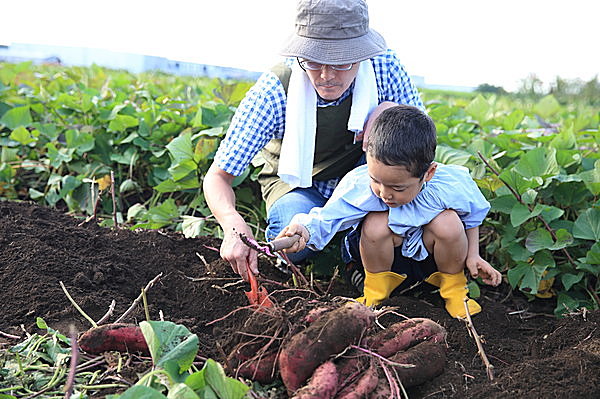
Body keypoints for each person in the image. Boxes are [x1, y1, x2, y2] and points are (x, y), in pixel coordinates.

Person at [203, 0, 424, 281]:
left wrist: (392, 112)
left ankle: (352, 246)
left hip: (365, 181)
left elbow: (422, 139)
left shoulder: (383, 67)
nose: (327, 76)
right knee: (293, 246)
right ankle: (351, 241)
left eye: (342, 62)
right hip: (298, 183)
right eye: (314, 61)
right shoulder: (275, 89)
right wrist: (232, 224)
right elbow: (218, 176)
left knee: (403, 218)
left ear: (362, 54)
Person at [277, 105, 502, 318]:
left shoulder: (451, 185)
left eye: (398, 187)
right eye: (376, 180)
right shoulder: (360, 185)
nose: (384, 194)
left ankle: (453, 289)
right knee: (375, 222)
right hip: (377, 263)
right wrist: (305, 229)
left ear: (428, 173)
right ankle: (375, 293)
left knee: (449, 222)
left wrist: (473, 255)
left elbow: (472, 217)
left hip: (432, 267)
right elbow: (330, 216)